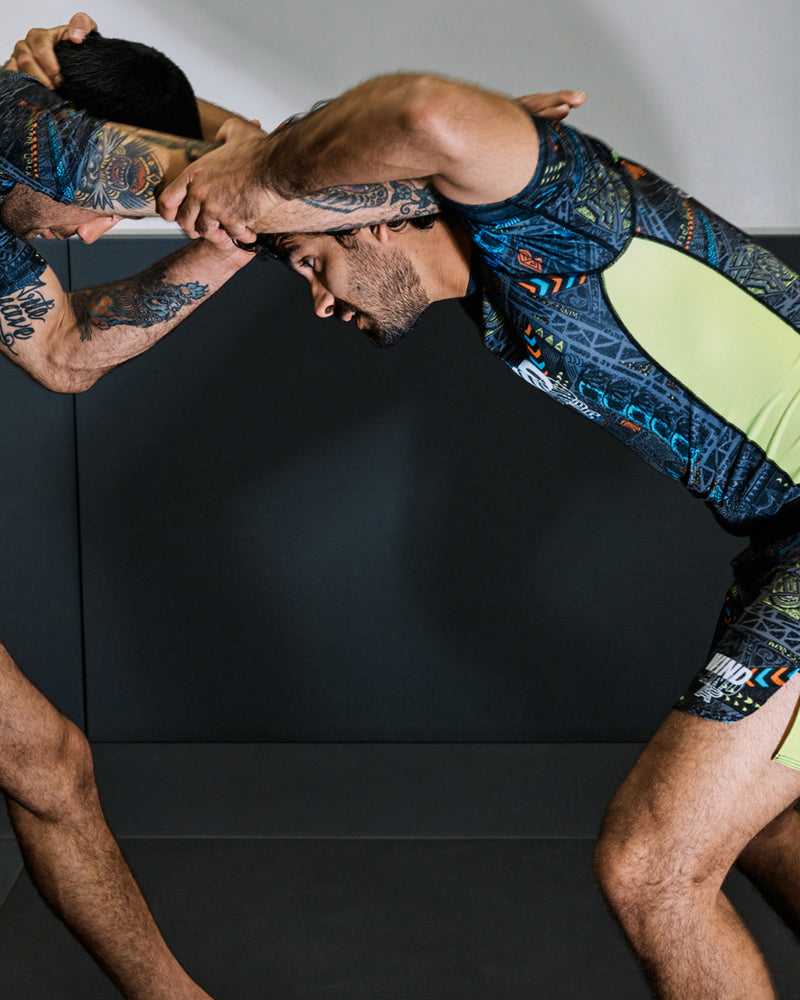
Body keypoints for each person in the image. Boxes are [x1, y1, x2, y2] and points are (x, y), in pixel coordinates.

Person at [159, 72, 800, 999]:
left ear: (376, 220)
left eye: (307, 262)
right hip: (781, 537)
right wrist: (109, 77)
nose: (318, 301)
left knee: (652, 868)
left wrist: (259, 168)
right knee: (765, 825)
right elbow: (282, 150)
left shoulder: (553, 214)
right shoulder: (483, 255)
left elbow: (422, 112)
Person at [0, 14, 255, 1000]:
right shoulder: (19, 127)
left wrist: (227, 245)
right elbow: (259, 159)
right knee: (46, 762)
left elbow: (64, 353)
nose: (96, 234)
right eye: (102, 204)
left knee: (48, 765)